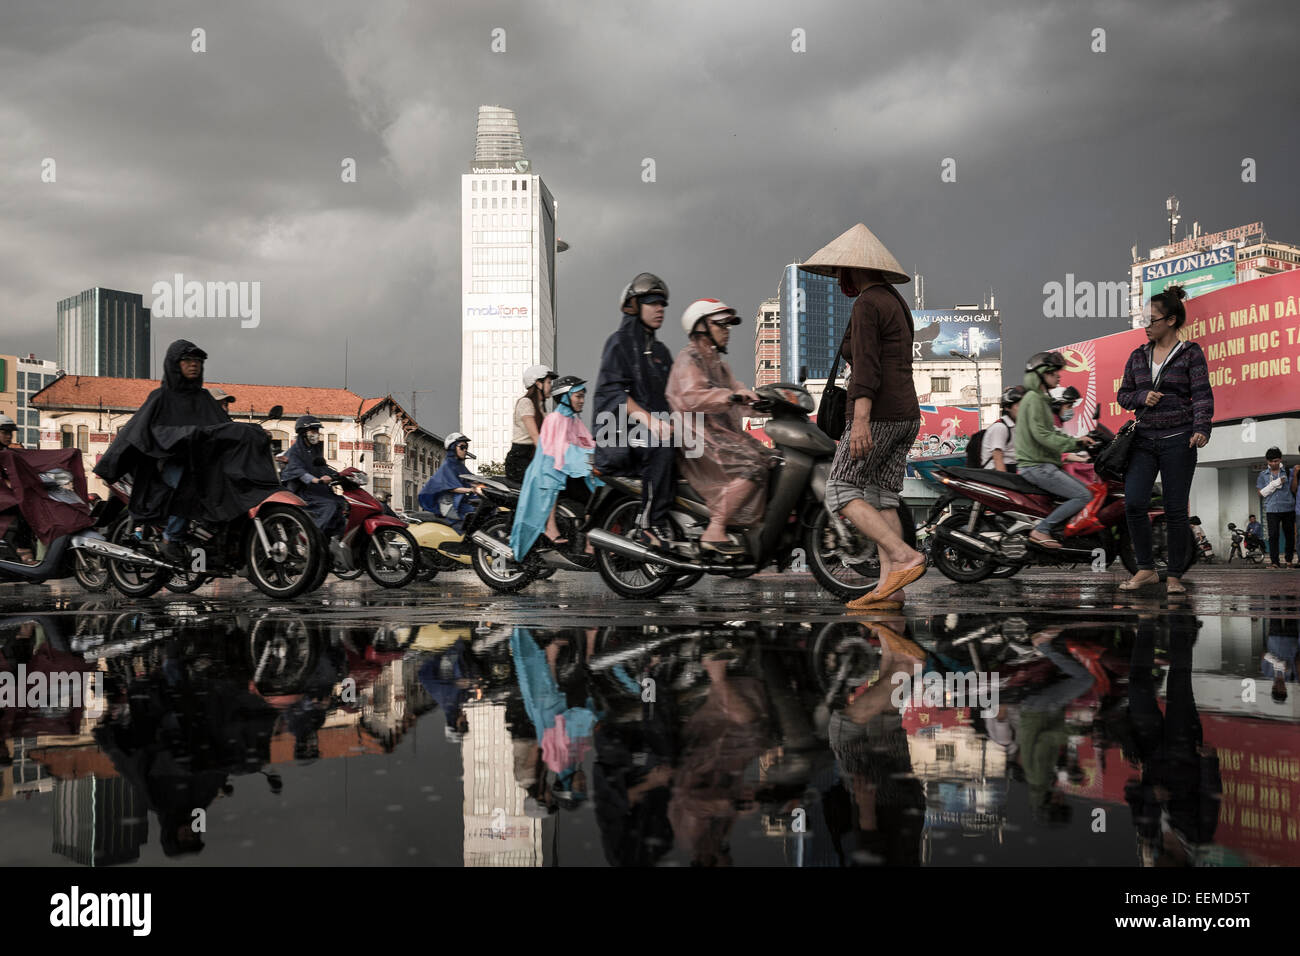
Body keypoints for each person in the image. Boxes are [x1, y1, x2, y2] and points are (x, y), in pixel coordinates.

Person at [799, 223, 927, 608]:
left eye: (842, 270)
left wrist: (859, 420)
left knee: (840, 489)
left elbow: (867, 369)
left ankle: (904, 557)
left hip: (880, 415)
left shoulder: (868, 304)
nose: (840, 277)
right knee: (883, 497)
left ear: (856, 269)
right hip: (907, 413)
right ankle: (892, 587)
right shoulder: (896, 301)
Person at [94, 339, 282, 564]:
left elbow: (222, 426)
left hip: (200, 460)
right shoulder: (160, 397)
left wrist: (252, 432)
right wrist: (185, 434)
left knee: (230, 480)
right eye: (187, 360)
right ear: (174, 364)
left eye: (198, 361)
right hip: (167, 461)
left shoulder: (205, 399)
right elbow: (146, 430)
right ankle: (170, 537)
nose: (194, 365)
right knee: (188, 483)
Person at [1116, 286, 1213, 594]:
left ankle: (1173, 576)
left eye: (1152, 319)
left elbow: (1201, 395)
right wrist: (1142, 396)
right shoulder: (1137, 356)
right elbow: (1123, 396)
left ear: (1171, 320)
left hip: (1179, 440)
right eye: (1145, 319)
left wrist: (1202, 427)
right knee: (1133, 503)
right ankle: (1145, 569)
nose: (1146, 325)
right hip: (1143, 441)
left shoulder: (1191, 353)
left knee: (1174, 510)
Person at [665, 299, 778, 556]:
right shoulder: (689, 358)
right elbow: (692, 396)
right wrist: (729, 397)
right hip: (698, 438)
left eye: (728, 325)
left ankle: (746, 530)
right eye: (721, 325)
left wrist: (759, 401)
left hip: (721, 435)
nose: (727, 330)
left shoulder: (718, 362)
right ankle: (715, 529)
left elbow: (736, 389)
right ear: (701, 327)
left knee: (772, 459)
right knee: (753, 466)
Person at [593, 273, 675, 549]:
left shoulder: (661, 351)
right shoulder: (619, 343)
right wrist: (650, 421)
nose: (660, 308)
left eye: (663, 303)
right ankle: (649, 525)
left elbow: (673, 397)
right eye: (652, 302)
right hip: (618, 434)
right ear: (633, 305)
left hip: (649, 430)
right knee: (661, 444)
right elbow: (613, 393)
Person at [511, 375, 602, 560]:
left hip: (570, 472)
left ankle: (594, 541)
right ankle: (589, 543)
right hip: (552, 472)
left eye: (583, 396)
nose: (582, 400)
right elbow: (557, 452)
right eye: (578, 396)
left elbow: (587, 444)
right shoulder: (554, 418)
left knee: (601, 491)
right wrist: (585, 458)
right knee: (593, 497)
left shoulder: (574, 421)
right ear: (565, 396)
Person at [1015, 352, 1099, 551]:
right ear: (1040, 375)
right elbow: (1042, 435)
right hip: (1038, 465)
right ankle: (1042, 530)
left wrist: (1077, 441)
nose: (1058, 376)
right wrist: (1075, 444)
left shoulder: (1039, 399)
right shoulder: (1035, 399)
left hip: (1042, 464)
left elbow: (1050, 433)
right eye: (1053, 373)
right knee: (1083, 496)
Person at [279, 415, 346, 540]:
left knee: (342, 503)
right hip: (301, 493)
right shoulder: (294, 452)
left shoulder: (314, 451)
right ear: (303, 433)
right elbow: (300, 473)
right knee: (329, 506)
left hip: (317, 491)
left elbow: (322, 467)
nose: (316, 434)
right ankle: (311, 537)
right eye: (313, 430)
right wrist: (317, 480)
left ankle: (334, 539)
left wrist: (339, 475)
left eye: (317, 430)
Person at [418, 433, 479, 533]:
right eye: (462, 447)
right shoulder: (447, 466)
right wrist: (471, 489)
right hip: (450, 504)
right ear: (453, 448)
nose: (465, 450)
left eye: (466, 447)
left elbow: (471, 479)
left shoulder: (459, 466)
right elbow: (452, 487)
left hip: (460, 501)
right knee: (472, 516)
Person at [506, 366, 557, 483]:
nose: (551, 386)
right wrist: (550, 458)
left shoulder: (541, 408)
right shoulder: (525, 403)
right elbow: (535, 436)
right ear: (538, 384)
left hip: (532, 457)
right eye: (549, 382)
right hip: (519, 460)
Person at [1257, 447, 1296, 569]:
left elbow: (1293, 489)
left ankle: (1289, 560)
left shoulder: (1288, 472)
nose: (1273, 463)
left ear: (1280, 459)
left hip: (1288, 507)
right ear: (1267, 461)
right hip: (1272, 509)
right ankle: (1275, 562)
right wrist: (1276, 483)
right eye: (1271, 461)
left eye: (1276, 461)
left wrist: (1294, 476)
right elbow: (1260, 493)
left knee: (1289, 535)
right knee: (1273, 536)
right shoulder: (1263, 475)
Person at [982, 387, 1023, 472]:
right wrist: (1007, 483)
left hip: (1013, 469)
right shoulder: (1000, 427)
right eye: (1019, 405)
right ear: (1008, 407)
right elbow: (998, 459)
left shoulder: (1015, 427)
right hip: (996, 473)